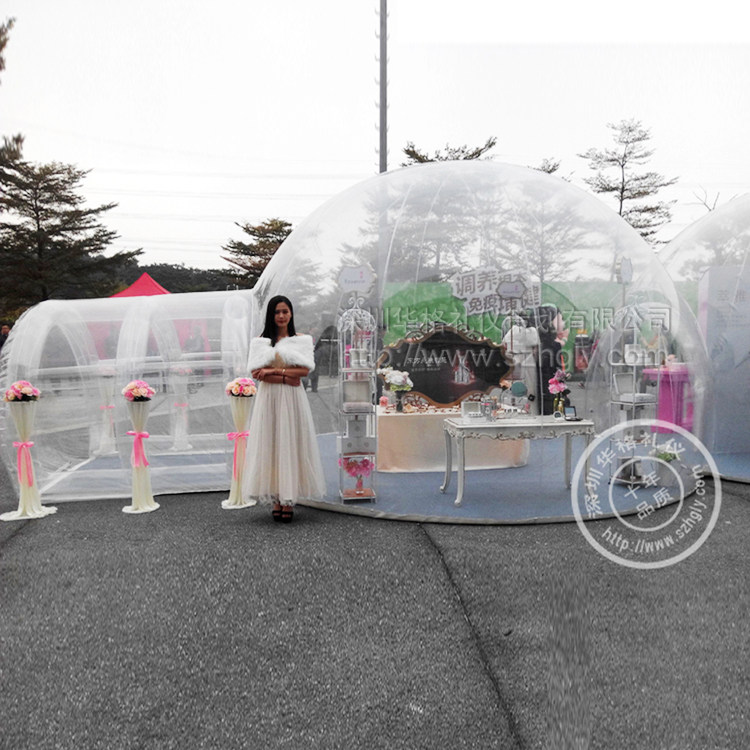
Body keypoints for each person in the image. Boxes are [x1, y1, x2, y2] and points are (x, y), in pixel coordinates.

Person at [243, 295, 326, 522]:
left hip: (292, 399)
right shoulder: (260, 342)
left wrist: (272, 371)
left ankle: (288, 499)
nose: (281, 316)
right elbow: (256, 373)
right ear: (271, 315)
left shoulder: (301, 340)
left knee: (289, 442)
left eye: (285, 311)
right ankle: (276, 497)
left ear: (291, 314)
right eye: (277, 312)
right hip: (268, 399)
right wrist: (285, 376)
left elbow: (304, 371)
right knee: (271, 443)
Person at [501, 311, 540, 414]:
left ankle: (521, 410)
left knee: (521, 388)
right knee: (528, 388)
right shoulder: (530, 331)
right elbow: (535, 348)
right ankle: (530, 411)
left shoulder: (518, 330)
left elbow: (504, 344)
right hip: (524, 360)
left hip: (519, 360)